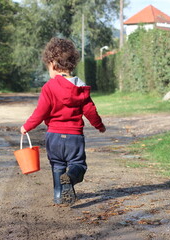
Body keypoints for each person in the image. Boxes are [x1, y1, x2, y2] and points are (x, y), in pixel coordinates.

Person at [20, 37, 106, 206]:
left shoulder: (49, 87)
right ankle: (72, 177)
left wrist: (27, 126)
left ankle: (59, 196)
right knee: (78, 165)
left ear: (52, 63)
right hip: (74, 136)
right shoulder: (80, 87)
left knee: (57, 166)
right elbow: (90, 110)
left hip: (54, 136)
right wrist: (99, 125)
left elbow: (41, 111)